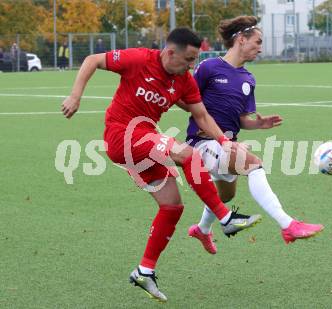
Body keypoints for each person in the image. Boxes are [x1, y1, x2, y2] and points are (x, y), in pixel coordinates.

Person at [61, 27, 261, 303]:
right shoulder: (139, 59)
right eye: (188, 59)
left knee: (172, 206)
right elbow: (93, 60)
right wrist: (75, 95)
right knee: (188, 154)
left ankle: (145, 270)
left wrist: (224, 142)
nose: (192, 66)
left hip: (143, 145)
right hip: (122, 134)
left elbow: (201, 115)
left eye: (195, 60)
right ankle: (225, 218)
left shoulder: (184, 80)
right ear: (170, 52)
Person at [176, 16, 324, 255]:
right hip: (201, 143)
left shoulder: (248, 79)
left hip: (227, 144)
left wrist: (258, 124)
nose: (260, 47)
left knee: (225, 195)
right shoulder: (209, 67)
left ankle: (202, 229)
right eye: (257, 41)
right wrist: (202, 118)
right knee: (254, 165)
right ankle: (288, 225)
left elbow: (241, 119)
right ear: (241, 40)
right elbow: (183, 98)